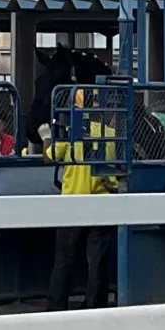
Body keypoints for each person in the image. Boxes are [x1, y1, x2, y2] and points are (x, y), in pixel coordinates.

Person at [46, 91, 120, 310]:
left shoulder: (70, 134)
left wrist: (45, 137)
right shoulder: (111, 134)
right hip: (101, 200)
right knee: (97, 262)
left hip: (72, 201)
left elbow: (49, 156)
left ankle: (56, 307)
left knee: (64, 261)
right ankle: (95, 307)